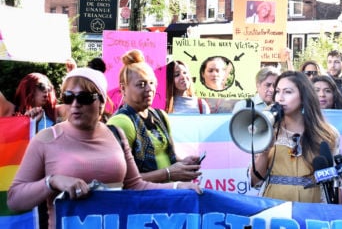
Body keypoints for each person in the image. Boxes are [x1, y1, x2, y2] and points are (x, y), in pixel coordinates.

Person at [7, 67, 202, 229]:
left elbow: (136, 186)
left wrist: (178, 188)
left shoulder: (116, 134)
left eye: (84, 98)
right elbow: (14, 200)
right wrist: (52, 182)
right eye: (68, 97)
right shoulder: (46, 139)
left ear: (101, 102)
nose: (74, 105)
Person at [107, 49, 202, 183]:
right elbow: (120, 180)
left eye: (152, 83)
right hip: (142, 200)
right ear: (123, 88)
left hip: (167, 196)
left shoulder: (160, 115)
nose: (149, 89)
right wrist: (169, 174)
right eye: (141, 84)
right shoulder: (121, 123)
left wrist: (184, 163)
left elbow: (169, 156)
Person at [249, 71, 339, 203]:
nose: (280, 98)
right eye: (278, 91)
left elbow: (335, 182)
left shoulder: (327, 133)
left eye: (288, 92)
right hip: (274, 206)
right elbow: (254, 181)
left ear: (303, 96)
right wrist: (265, 150)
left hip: (312, 210)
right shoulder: (266, 129)